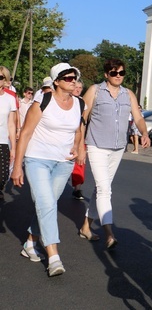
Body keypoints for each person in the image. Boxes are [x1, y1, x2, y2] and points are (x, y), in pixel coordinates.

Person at [11, 63, 83, 276]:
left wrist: (77, 147)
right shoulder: (43, 100)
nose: (73, 81)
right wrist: (17, 167)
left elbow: (78, 129)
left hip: (64, 163)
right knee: (47, 203)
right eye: (68, 78)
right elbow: (25, 134)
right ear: (57, 82)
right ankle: (53, 256)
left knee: (47, 205)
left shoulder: (79, 103)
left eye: (74, 77)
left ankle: (30, 243)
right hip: (37, 160)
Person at [77, 59, 150, 248]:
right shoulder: (95, 90)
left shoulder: (128, 94)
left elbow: (138, 117)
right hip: (96, 145)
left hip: (118, 148)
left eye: (121, 73)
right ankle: (109, 232)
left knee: (102, 188)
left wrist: (144, 132)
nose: (118, 76)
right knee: (104, 189)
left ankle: (86, 226)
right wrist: (79, 146)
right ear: (106, 74)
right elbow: (82, 118)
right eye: (113, 72)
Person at [0, 66, 18, 203]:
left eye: (0, 77)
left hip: (3, 142)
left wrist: (14, 148)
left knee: (3, 176)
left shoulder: (9, 99)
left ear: (5, 80)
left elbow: (11, 124)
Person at [70, 80, 86, 200]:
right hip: (64, 136)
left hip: (78, 136)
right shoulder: (64, 99)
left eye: (80, 88)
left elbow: (83, 123)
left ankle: (77, 188)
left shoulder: (82, 103)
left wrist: (81, 145)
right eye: (76, 87)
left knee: (79, 164)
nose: (78, 89)